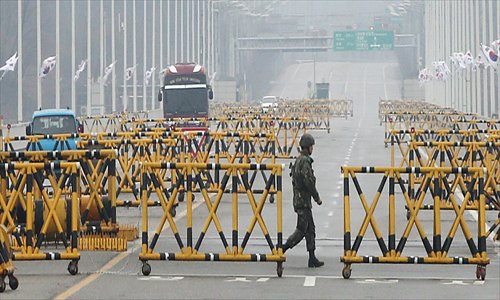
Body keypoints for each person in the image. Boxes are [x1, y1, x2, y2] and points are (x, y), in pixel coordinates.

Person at [282, 133, 324, 268]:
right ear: (307, 147)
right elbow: (309, 182)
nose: (313, 149)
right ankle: (282, 248)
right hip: (302, 202)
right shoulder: (304, 161)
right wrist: (317, 197)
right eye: (312, 146)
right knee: (301, 230)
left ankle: (312, 258)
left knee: (310, 229)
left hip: (302, 201)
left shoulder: (300, 159)